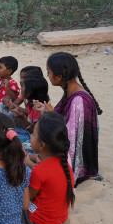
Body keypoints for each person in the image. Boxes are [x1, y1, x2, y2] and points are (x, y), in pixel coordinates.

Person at [36, 52, 102, 185]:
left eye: (48, 72)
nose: (47, 75)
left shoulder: (79, 100)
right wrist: (46, 111)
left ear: (59, 76)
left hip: (72, 158)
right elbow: (67, 121)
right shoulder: (70, 92)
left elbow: (72, 137)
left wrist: (52, 115)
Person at [23, 112, 75, 224]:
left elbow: (28, 198)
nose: (31, 136)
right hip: (59, 218)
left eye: (34, 134)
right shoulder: (64, 164)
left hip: (39, 220)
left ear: (42, 145)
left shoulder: (40, 171)